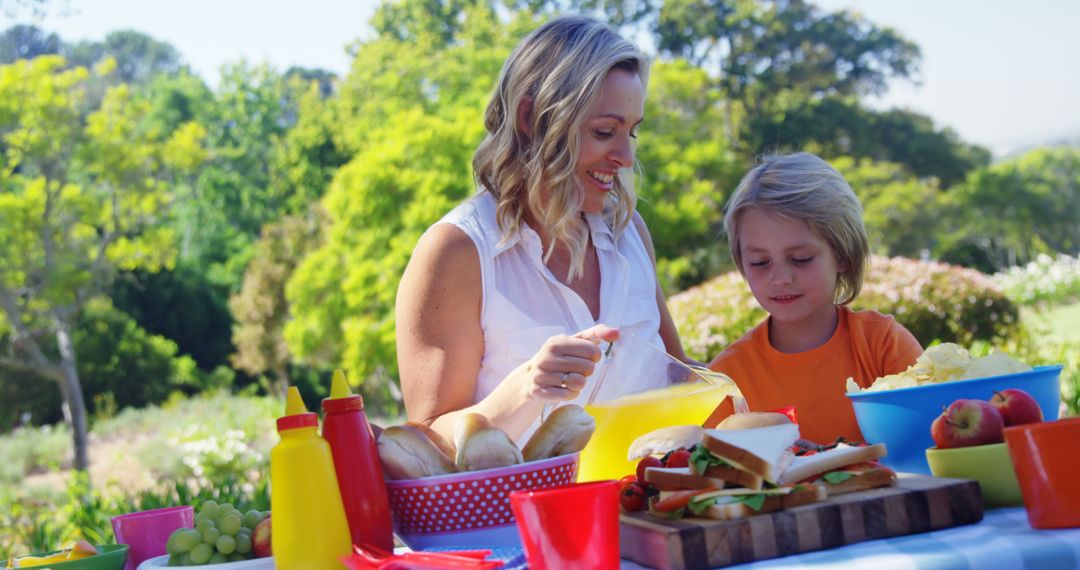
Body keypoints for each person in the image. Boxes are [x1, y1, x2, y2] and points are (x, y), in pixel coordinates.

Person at [396, 16, 692, 446]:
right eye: (605, 132)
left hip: (649, 510)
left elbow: (679, 377)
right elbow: (426, 445)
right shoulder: (455, 251)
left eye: (632, 131)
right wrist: (525, 388)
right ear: (530, 118)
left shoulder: (629, 233)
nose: (626, 157)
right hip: (520, 514)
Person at [708, 152, 923, 444]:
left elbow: (932, 443)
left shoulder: (884, 345)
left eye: (800, 258)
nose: (781, 278)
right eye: (760, 262)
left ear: (843, 255)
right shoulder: (726, 379)